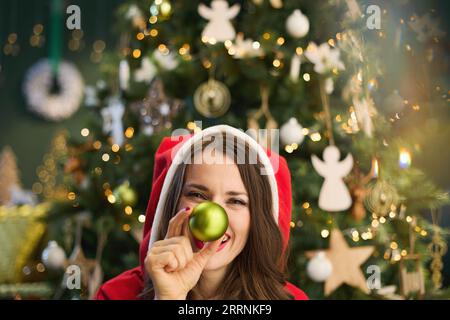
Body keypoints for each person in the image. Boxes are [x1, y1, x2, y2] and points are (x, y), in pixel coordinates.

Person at [95, 125, 308, 300]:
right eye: (197, 195)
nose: (213, 214)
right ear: (173, 204)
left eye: (235, 201)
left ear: (256, 220)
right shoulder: (115, 295)